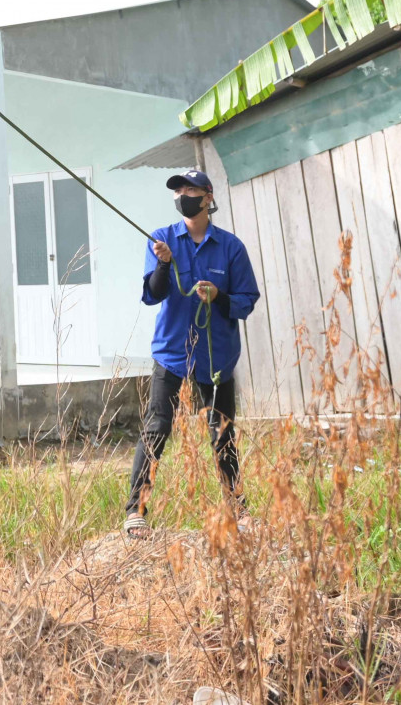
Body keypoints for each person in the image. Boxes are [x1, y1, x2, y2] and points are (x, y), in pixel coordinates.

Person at [124, 170, 260, 541]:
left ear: (207, 196)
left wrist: (219, 296)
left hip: (216, 359)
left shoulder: (231, 248)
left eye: (190, 190)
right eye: (178, 191)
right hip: (171, 353)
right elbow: (153, 294)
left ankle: (237, 508)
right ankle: (135, 510)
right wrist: (165, 264)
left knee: (222, 433)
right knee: (157, 427)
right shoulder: (163, 239)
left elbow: (247, 301)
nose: (183, 195)